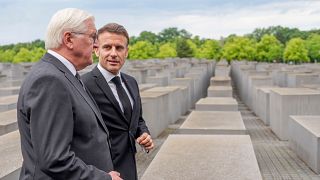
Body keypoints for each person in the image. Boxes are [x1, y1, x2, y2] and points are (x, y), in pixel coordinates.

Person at [17, 8, 122, 180]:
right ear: (69, 39)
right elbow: (54, 159)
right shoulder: (50, 80)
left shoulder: (64, 74)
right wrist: (104, 178)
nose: (96, 45)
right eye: (92, 37)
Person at [82, 23, 154, 180]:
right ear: (96, 50)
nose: (113, 53)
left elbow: (137, 120)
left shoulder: (131, 82)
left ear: (126, 52)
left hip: (129, 165)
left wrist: (143, 133)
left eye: (119, 48)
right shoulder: (83, 84)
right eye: (107, 47)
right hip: (101, 170)